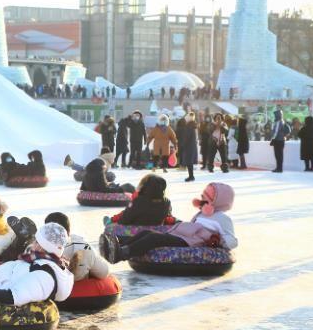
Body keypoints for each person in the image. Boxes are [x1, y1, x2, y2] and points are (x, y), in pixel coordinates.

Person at [101, 183, 237, 264]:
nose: (202, 199)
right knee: (146, 233)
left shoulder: (222, 218)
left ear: (218, 201)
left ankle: (122, 254)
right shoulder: (203, 213)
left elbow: (232, 241)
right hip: (182, 234)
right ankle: (119, 244)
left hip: (190, 241)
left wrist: (217, 241)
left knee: (154, 238)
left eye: (206, 197)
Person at [45, 212, 110, 281]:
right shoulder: (83, 246)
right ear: (69, 231)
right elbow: (104, 272)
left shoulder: (41, 250)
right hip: (83, 276)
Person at [108, 174, 174, 227]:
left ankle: (110, 221)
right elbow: (167, 218)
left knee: (112, 226)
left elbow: (124, 220)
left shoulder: (139, 201)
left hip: (134, 233)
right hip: (157, 231)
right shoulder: (166, 202)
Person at [270, 109, 291, 173]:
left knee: (278, 155)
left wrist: (273, 139)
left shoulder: (278, 122)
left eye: (275, 115)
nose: (275, 116)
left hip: (278, 140)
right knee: (279, 155)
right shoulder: (282, 121)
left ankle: (279, 168)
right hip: (281, 140)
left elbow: (276, 132)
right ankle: (279, 168)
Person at [180, 112, 199, 181]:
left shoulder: (189, 126)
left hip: (188, 146)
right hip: (192, 145)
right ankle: (191, 176)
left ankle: (191, 176)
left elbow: (186, 137)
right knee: (190, 161)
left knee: (189, 162)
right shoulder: (194, 125)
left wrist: (183, 144)